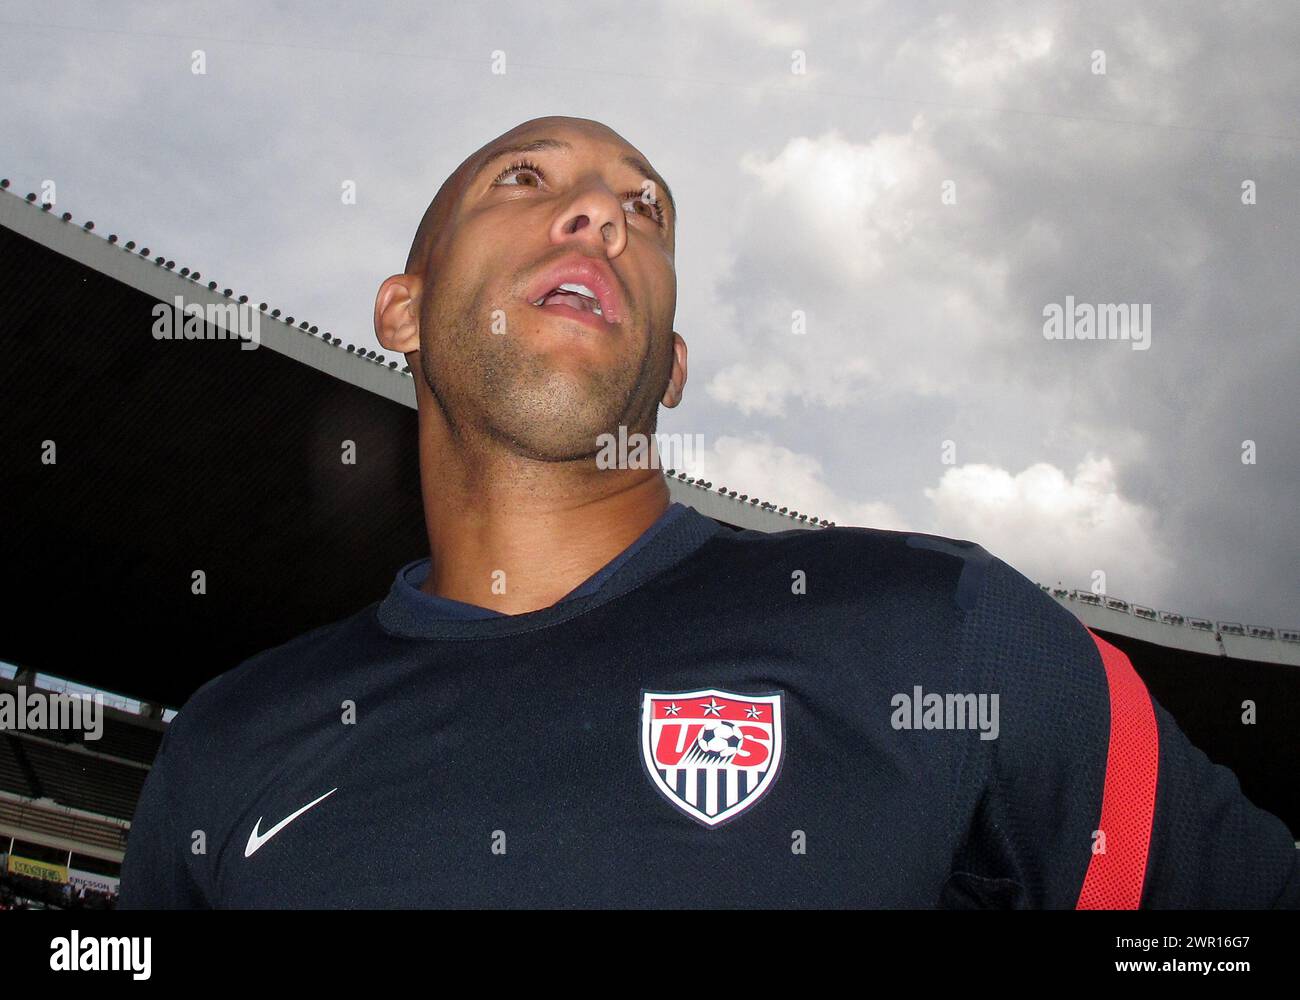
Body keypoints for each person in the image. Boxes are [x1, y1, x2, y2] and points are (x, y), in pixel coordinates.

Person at [120, 115, 1299, 909]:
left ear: (672, 365)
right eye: (526, 180)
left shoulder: (944, 627)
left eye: (645, 209)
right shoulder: (229, 741)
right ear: (403, 310)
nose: (600, 216)